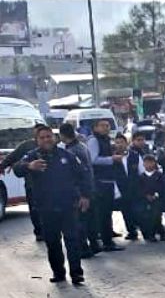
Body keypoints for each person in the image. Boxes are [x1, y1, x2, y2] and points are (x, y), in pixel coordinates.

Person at [14, 125, 92, 284]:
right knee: (52, 241)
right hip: (46, 207)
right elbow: (17, 169)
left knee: (72, 239)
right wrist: (28, 166)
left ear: (55, 138)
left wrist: (85, 196)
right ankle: (59, 273)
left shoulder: (67, 155)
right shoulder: (32, 156)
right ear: (37, 140)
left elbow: (83, 175)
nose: (46, 140)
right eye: (42, 137)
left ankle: (76, 273)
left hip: (68, 205)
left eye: (49, 136)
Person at [58, 123, 99, 259]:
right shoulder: (81, 146)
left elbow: (82, 173)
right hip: (88, 188)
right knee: (89, 220)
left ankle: (85, 248)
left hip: (80, 191)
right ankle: (93, 245)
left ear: (63, 135)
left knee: (80, 221)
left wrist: (83, 194)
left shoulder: (73, 151)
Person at [0, 123, 46, 241]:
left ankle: (50, 230)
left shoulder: (52, 146)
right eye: (38, 134)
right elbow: (12, 157)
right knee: (34, 209)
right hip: (32, 184)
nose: (43, 137)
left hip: (50, 186)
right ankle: (39, 232)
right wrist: (3, 166)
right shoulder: (27, 146)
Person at [87, 120, 125, 252]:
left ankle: (108, 235)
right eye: (102, 125)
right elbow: (93, 159)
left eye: (107, 126)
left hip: (108, 181)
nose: (106, 128)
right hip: (100, 182)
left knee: (107, 211)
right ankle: (107, 242)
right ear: (95, 127)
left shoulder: (105, 140)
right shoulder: (94, 141)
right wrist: (112, 159)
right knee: (103, 213)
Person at [118, 132, 147, 241]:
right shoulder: (113, 158)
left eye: (122, 142)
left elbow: (142, 172)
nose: (119, 145)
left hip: (135, 189)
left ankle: (146, 231)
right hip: (122, 190)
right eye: (117, 142)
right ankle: (132, 231)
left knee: (138, 211)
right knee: (126, 212)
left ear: (126, 143)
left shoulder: (135, 156)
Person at [138, 155, 165, 242]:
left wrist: (156, 195)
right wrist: (146, 195)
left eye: (150, 162)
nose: (148, 165)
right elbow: (139, 188)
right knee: (147, 217)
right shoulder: (141, 177)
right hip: (145, 200)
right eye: (146, 163)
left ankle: (160, 232)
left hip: (157, 199)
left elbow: (162, 187)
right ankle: (150, 234)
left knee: (157, 216)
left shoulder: (159, 175)